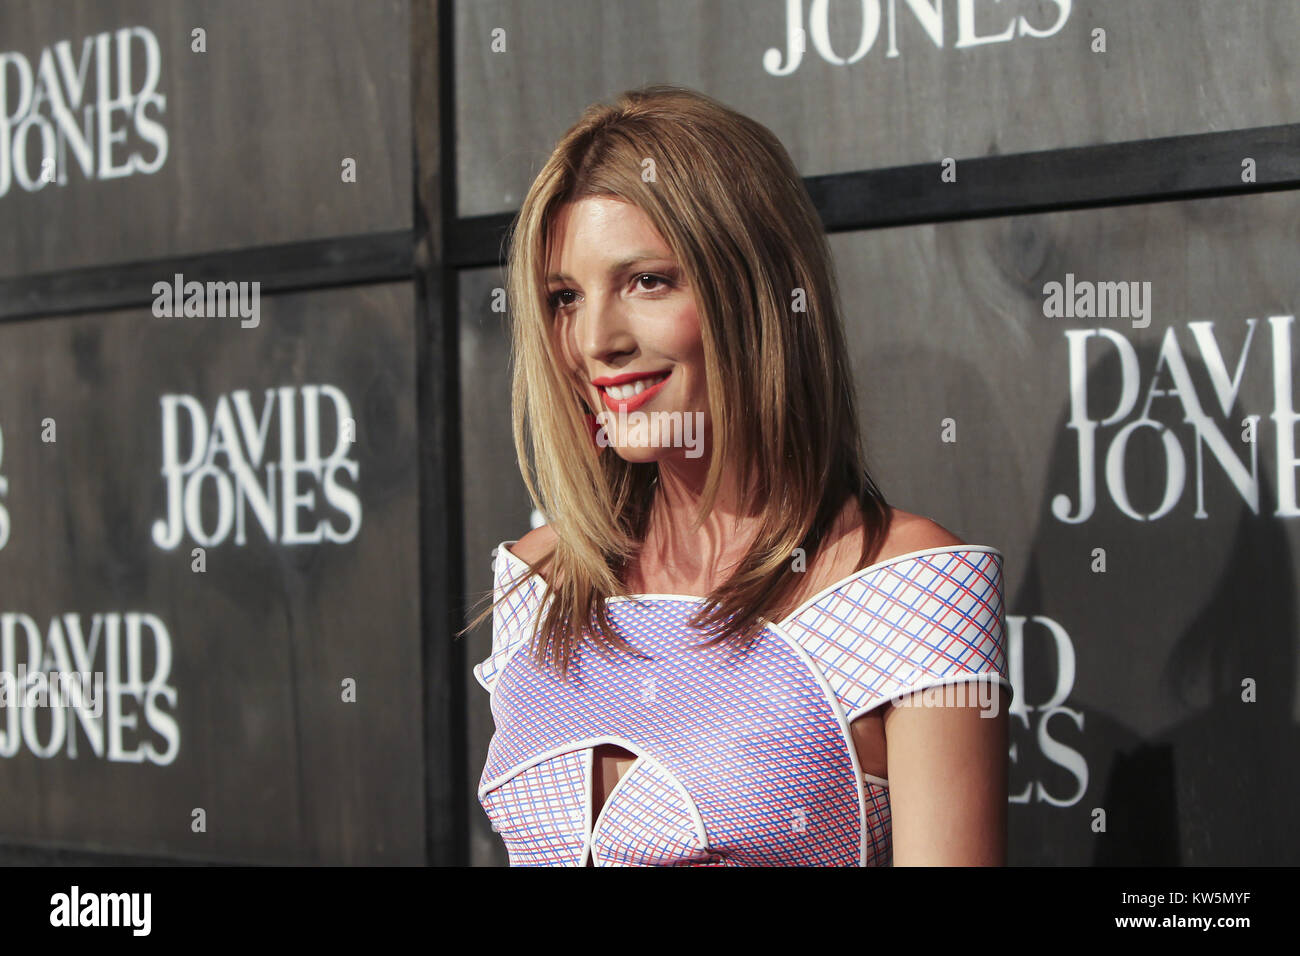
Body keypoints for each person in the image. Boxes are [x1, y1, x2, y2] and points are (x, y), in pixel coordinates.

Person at [467, 85, 1012, 866]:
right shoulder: (542, 578)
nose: (594, 340)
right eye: (563, 298)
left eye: (647, 281)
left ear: (756, 288)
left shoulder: (905, 587)